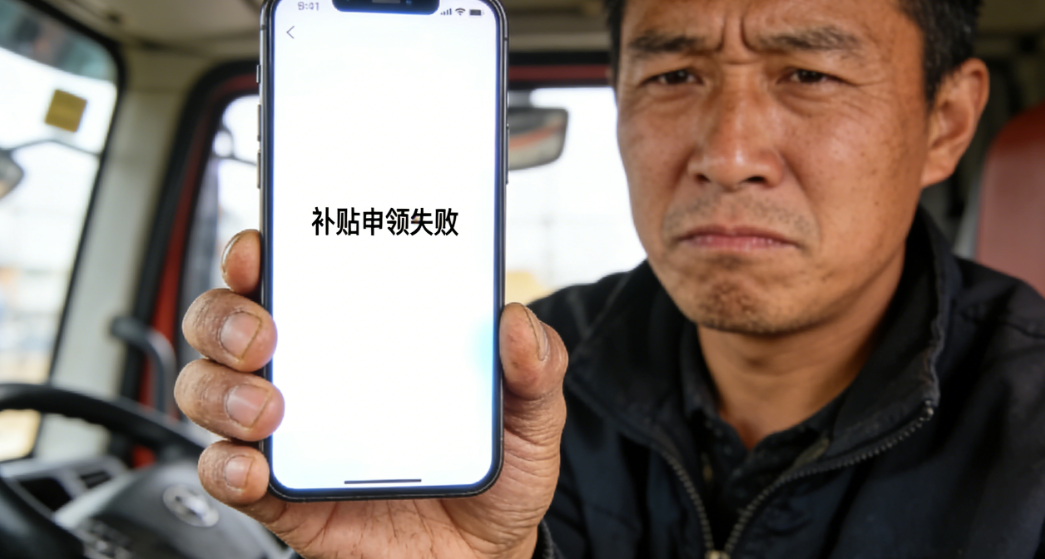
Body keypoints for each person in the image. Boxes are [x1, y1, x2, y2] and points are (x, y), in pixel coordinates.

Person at [175, 0, 1045, 556]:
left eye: (808, 74)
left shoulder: (1028, 427)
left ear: (945, 121)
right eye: (673, 74)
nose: (727, 154)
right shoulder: (513, 386)